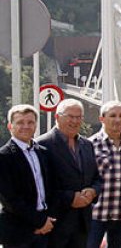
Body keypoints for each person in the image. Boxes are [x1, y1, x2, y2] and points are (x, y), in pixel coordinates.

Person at [37, 98, 101, 248]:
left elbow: (97, 178)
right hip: (56, 225)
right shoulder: (42, 145)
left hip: (83, 224)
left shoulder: (87, 145)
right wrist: (70, 198)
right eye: (70, 117)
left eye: (79, 117)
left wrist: (93, 191)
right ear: (57, 117)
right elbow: (40, 187)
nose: (75, 121)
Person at [0, 104, 58, 248]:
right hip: (18, 231)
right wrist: (39, 222)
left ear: (36, 125)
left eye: (30, 122)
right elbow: (9, 199)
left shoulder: (43, 152)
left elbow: (51, 189)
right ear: (10, 126)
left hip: (46, 229)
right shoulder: (3, 156)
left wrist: (47, 221)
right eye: (20, 122)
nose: (26, 126)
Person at [87, 101, 121, 248]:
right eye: (112, 116)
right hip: (97, 213)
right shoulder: (90, 144)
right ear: (102, 119)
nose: (117, 120)